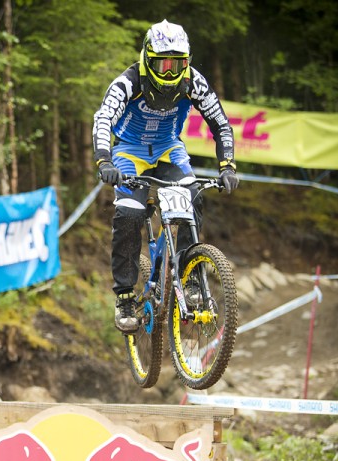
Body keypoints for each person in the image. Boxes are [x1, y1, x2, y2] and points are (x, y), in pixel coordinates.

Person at [92, 19, 239, 333]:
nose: (171, 72)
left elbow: (221, 124)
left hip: (168, 148)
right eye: (164, 64)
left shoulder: (193, 82)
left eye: (178, 65)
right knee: (129, 214)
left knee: (193, 198)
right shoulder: (128, 82)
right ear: (148, 57)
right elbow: (104, 117)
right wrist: (104, 160)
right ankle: (125, 297)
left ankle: (190, 280)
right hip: (130, 151)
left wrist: (227, 165)